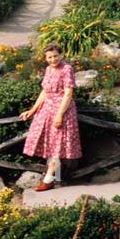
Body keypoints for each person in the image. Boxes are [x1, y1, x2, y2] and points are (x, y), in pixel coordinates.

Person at [19, 44, 82, 191]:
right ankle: (52, 173)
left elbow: (68, 94)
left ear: (61, 55)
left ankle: (48, 179)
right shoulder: (48, 69)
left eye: (55, 56)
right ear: (45, 58)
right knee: (47, 142)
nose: (53, 59)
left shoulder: (67, 69)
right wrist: (32, 110)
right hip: (46, 109)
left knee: (57, 144)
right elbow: (45, 92)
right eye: (49, 57)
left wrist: (60, 114)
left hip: (62, 109)